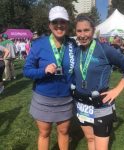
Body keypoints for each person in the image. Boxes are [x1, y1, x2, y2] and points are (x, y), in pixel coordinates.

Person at [71, 15, 124, 150]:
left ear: (93, 30)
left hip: (100, 105)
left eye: (86, 30)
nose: (82, 35)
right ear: (75, 32)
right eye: (79, 31)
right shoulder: (77, 51)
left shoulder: (104, 49)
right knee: (90, 139)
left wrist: (117, 89)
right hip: (82, 105)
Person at [23, 6, 76, 150]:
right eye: (55, 22)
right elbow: (27, 71)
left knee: (64, 132)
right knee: (44, 133)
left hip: (66, 98)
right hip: (44, 98)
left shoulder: (72, 44)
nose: (59, 25)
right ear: (49, 25)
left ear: (67, 24)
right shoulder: (39, 44)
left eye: (63, 21)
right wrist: (43, 71)